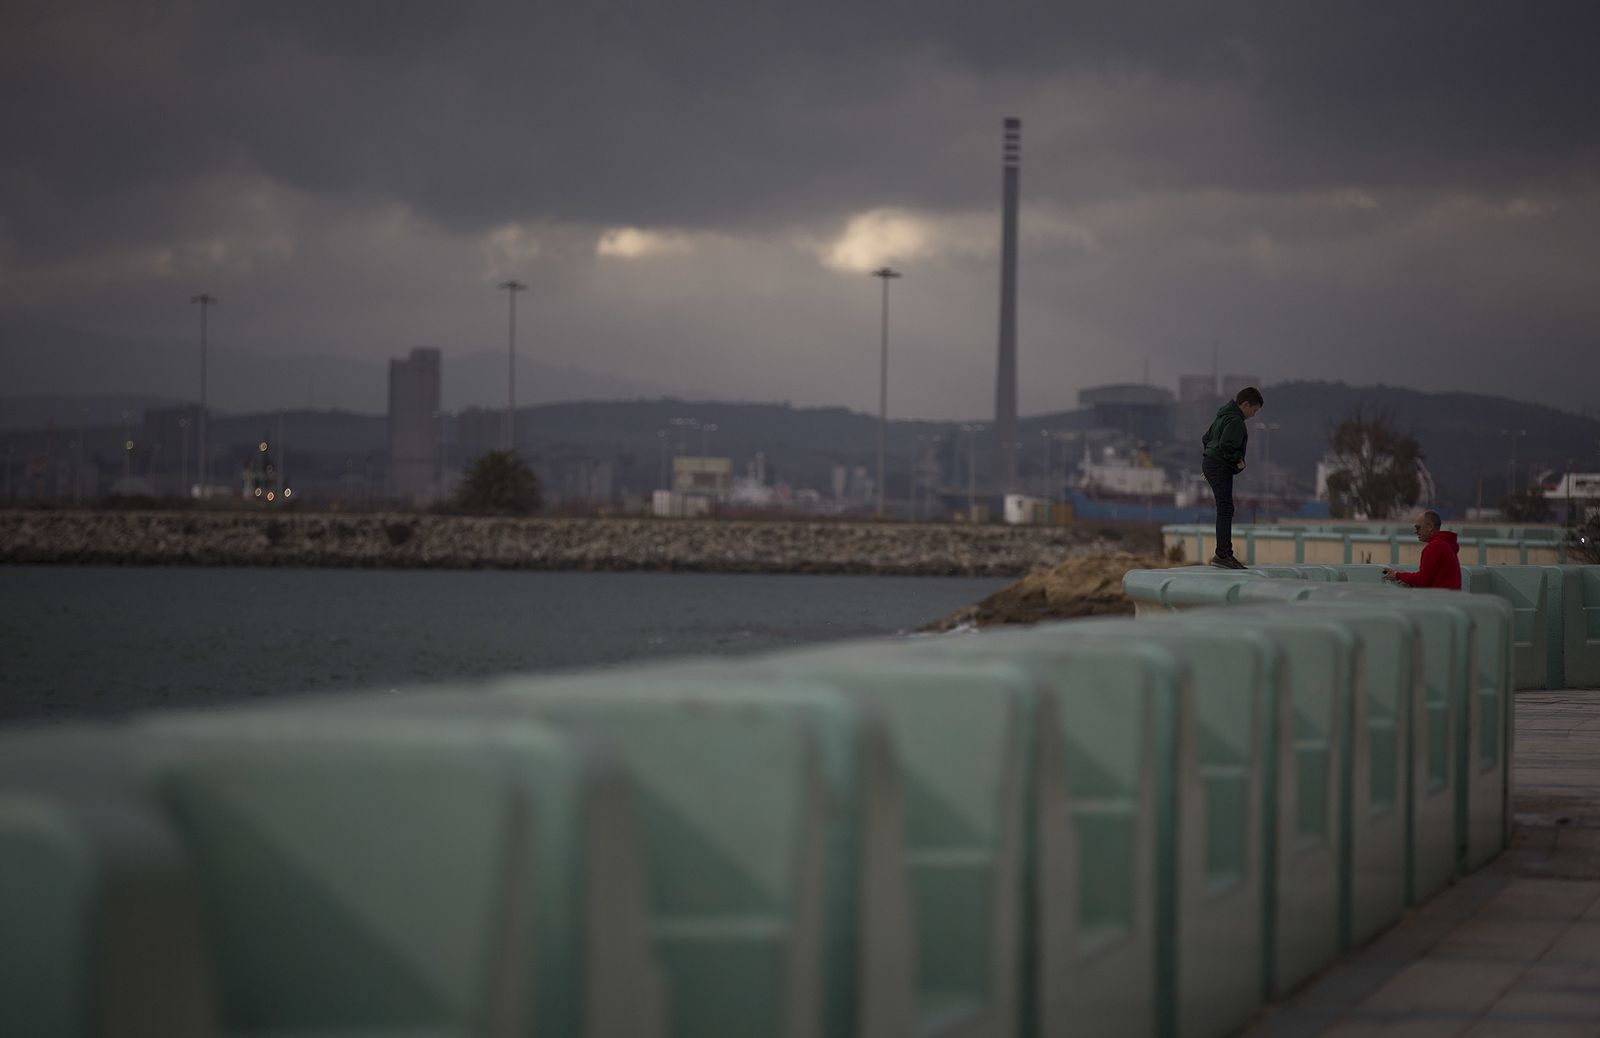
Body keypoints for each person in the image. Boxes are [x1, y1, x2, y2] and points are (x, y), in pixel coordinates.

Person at [1201, 386, 1263, 569]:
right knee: (1226, 509)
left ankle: (1225, 553)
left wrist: (1209, 459)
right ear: (1245, 404)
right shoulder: (1236, 421)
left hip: (1211, 463)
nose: (1253, 415)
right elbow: (1227, 446)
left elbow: (1206, 438)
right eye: (1254, 410)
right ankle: (1223, 555)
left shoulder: (1223, 416)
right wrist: (1238, 461)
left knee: (1225, 508)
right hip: (1219, 465)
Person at [1382, 510, 1462, 589]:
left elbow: (1423, 580)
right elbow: (1428, 580)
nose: (1416, 532)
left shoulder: (1435, 546)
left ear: (1430, 527)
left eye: (1418, 527)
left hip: (1441, 599)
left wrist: (1397, 575)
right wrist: (1411, 584)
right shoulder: (1444, 544)